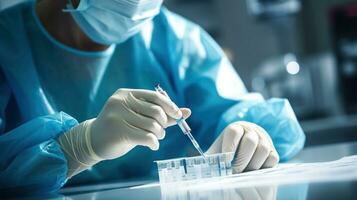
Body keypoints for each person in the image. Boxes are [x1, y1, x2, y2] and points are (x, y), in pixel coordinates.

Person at [0, 0, 305, 194]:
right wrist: (79, 146)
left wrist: (250, 133)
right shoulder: (7, 43)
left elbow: (253, 119)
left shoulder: (172, 37)